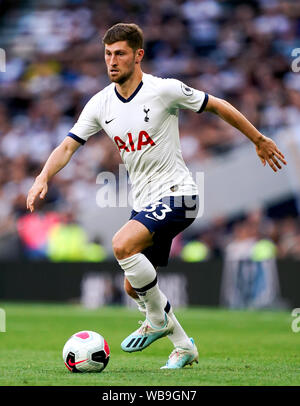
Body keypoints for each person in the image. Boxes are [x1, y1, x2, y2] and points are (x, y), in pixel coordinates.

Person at [26, 23, 287, 369]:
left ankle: (157, 321)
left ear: (138, 55)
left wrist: (258, 139)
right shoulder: (100, 103)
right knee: (134, 289)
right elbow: (67, 146)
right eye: (107, 54)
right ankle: (183, 346)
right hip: (144, 202)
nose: (112, 61)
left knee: (122, 245)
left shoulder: (163, 90)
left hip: (180, 194)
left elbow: (217, 105)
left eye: (119, 53)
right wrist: (43, 175)